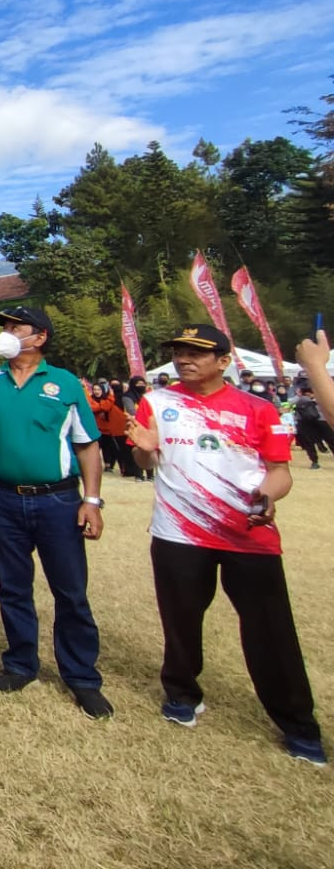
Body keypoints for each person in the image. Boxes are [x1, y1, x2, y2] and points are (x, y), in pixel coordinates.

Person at [127, 324, 325, 765]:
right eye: (178, 352)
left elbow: (279, 471)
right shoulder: (157, 402)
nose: (184, 359)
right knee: (180, 621)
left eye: (196, 352)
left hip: (247, 535)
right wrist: (144, 449)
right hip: (178, 533)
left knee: (269, 629)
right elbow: (146, 458)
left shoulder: (258, 408)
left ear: (223, 360)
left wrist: (268, 497)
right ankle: (181, 693)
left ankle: (297, 723)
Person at [0, 306, 112, 719]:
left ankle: (81, 677)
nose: (5, 334)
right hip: (1, 496)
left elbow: (87, 445)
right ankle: (21, 664)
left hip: (58, 500)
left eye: (14, 327)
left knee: (70, 590)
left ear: (39, 337)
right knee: (12, 586)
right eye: (4, 328)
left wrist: (92, 501)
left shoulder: (64, 384)